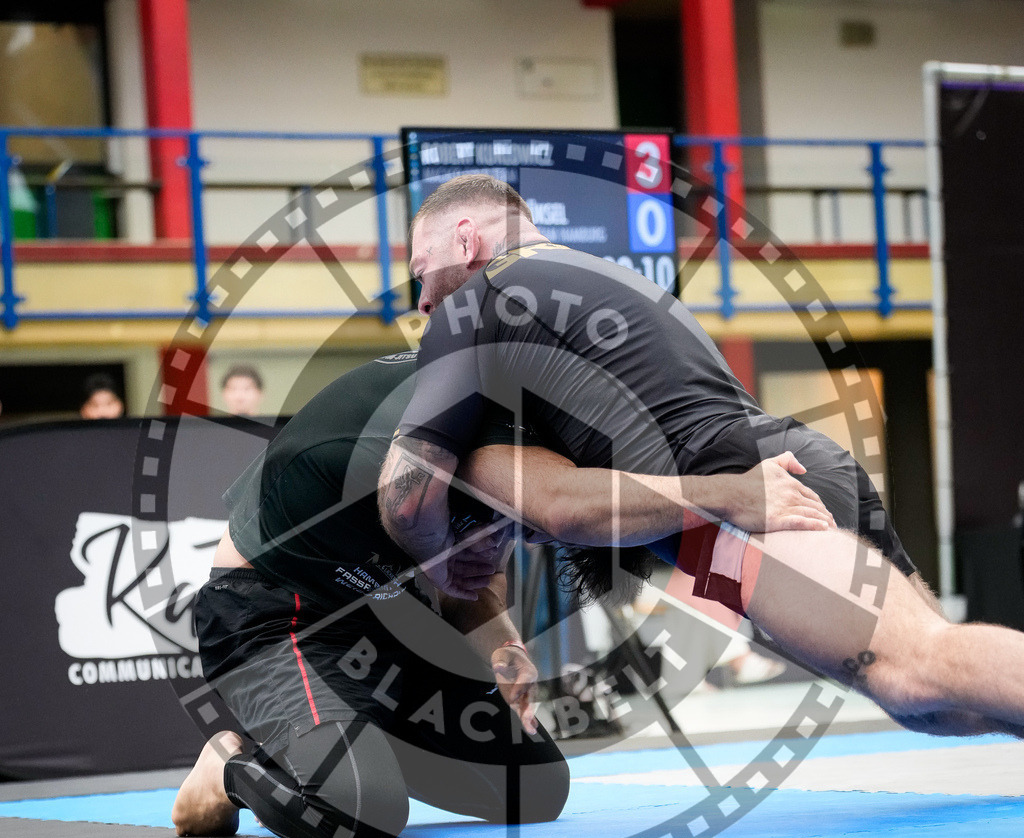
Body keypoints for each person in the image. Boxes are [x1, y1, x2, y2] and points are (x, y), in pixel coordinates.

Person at [379, 172, 1024, 739]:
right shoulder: (591, 282)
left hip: (754, 492)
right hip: (788, 469)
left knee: (917, 671)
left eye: (421, 275)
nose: (423, 304)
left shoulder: (478, 300)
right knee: (931, 703)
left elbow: (406, 497)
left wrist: (444, 563)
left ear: (466, 241)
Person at [173, 353, 833, 838]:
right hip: (267, 615)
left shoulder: (509, 432)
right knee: (360, 808)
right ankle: (231, 764)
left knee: (536, 786)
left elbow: (470, 564)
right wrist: (731, 493)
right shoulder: (420, 435)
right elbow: (550, 511)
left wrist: (505, 651)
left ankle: (347, 739)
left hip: (370, 622)